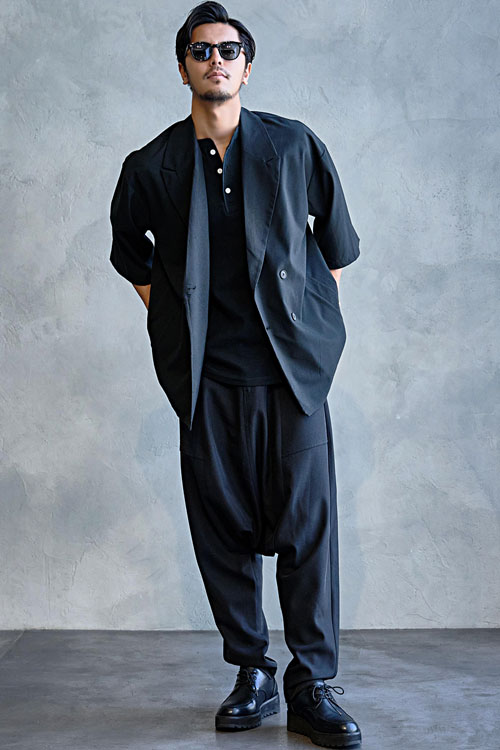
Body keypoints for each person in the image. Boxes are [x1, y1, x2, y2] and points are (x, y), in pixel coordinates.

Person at [109, 2, 362, 746]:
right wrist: (175, 321)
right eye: (201, 50)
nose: (215, 60)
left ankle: (312, 683)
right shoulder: (152, 165)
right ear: (182, 67)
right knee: (221, 530)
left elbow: (336, 248)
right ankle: (253, 671)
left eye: (228, 49)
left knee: (307, 531)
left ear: (247, 67)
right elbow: (130, 254)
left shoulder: (293, 145)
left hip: (290, 379)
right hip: (208, 382)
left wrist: (307, 334)